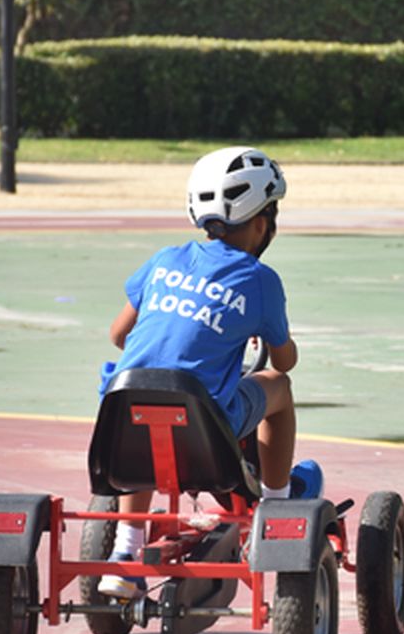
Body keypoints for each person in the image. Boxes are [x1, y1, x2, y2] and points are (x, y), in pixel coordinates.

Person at [97, 146, 321, 599]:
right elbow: (283, 360)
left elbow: (119, 334)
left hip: (117, 431)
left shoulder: (164, 259)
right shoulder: (260, 281)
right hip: (204, 433)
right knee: (279, 388)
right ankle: (276, 503)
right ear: (262, 222)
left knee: (144, 399)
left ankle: (126, 551)